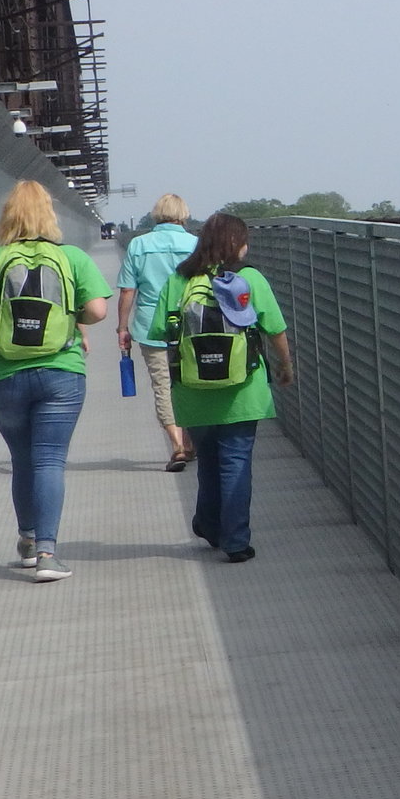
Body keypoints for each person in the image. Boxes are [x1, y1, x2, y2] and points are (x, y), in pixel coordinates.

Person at [0, 180, 109, 582]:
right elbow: (98, 310)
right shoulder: (72, 257)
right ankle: (48, 553)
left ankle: (27, 542)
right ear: (50, 214)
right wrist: (68, 320)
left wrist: (11, 329)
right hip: (61, 370)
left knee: (22, 459)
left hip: (6, 374)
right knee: (49, 460)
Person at [164, 212, 294, 563]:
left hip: (193, 389)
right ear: (237, 244)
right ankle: (235, 541)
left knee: (207, 457)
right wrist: (285, 365)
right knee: (235, 460)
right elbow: (275, 329)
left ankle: (209, 523)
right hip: (242, 389)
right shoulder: (249, 279)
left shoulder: (180, 280)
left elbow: (164, 332)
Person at [116, 194, 201, 470]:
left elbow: (128, 290)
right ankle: (189, 441)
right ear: (184, 215)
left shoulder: (139, 245)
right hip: (191, 323)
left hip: (151, 324)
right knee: (189, 381)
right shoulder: (195, 244)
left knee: (162, 385)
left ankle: (176, 445)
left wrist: (122, 326)